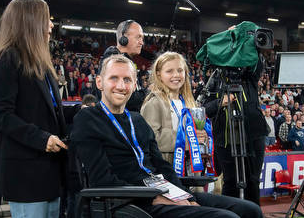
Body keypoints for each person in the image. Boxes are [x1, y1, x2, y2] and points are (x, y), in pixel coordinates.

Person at [71, 54, 263, 218]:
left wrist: (182, 195)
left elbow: (162, 165)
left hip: (162, 191)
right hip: (130, 201)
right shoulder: (88, 119)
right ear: (99, 82)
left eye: (127, 80)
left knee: (250, 210)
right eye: (114, 78)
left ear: (135, 84)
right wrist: (156, 197)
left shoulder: (137, 120)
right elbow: (102, 180)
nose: (121, 86)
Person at [0, 0, 68, 218]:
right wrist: (42, 139)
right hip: (26, 176)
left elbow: (51, 111)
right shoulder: (7, 58)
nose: (51, 25)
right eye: (47, 18)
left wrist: (86, 110)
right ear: (30, 21)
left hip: (51, 172)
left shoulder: (41, 62)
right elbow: (3, 115)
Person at [203, 56, 268, 205]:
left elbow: (257, 58)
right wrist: (221, 102)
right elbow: (203, 109)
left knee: (253, 181)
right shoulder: (214, 78)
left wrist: (243, 34)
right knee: (230, 182)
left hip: (253, 136)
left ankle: (252, 214)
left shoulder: (249, 74)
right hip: (225, 139)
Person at [141, 52, 207, 172]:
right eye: (169, 71)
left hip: (190, 169)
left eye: (180, 70)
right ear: (159, 75)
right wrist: (189, 139)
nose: (176, 75)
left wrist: (202, 137)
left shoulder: (189, 102)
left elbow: (196, 132)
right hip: (167, 169)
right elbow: (151, 139)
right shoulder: (154, 103)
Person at [101, 20, 146, 112]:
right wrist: (148, 92)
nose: (142, 42)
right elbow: (129, 100)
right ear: (123, 38)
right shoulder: (113, 59)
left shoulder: (124, 60)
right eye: (138, 37)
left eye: (142, 38)